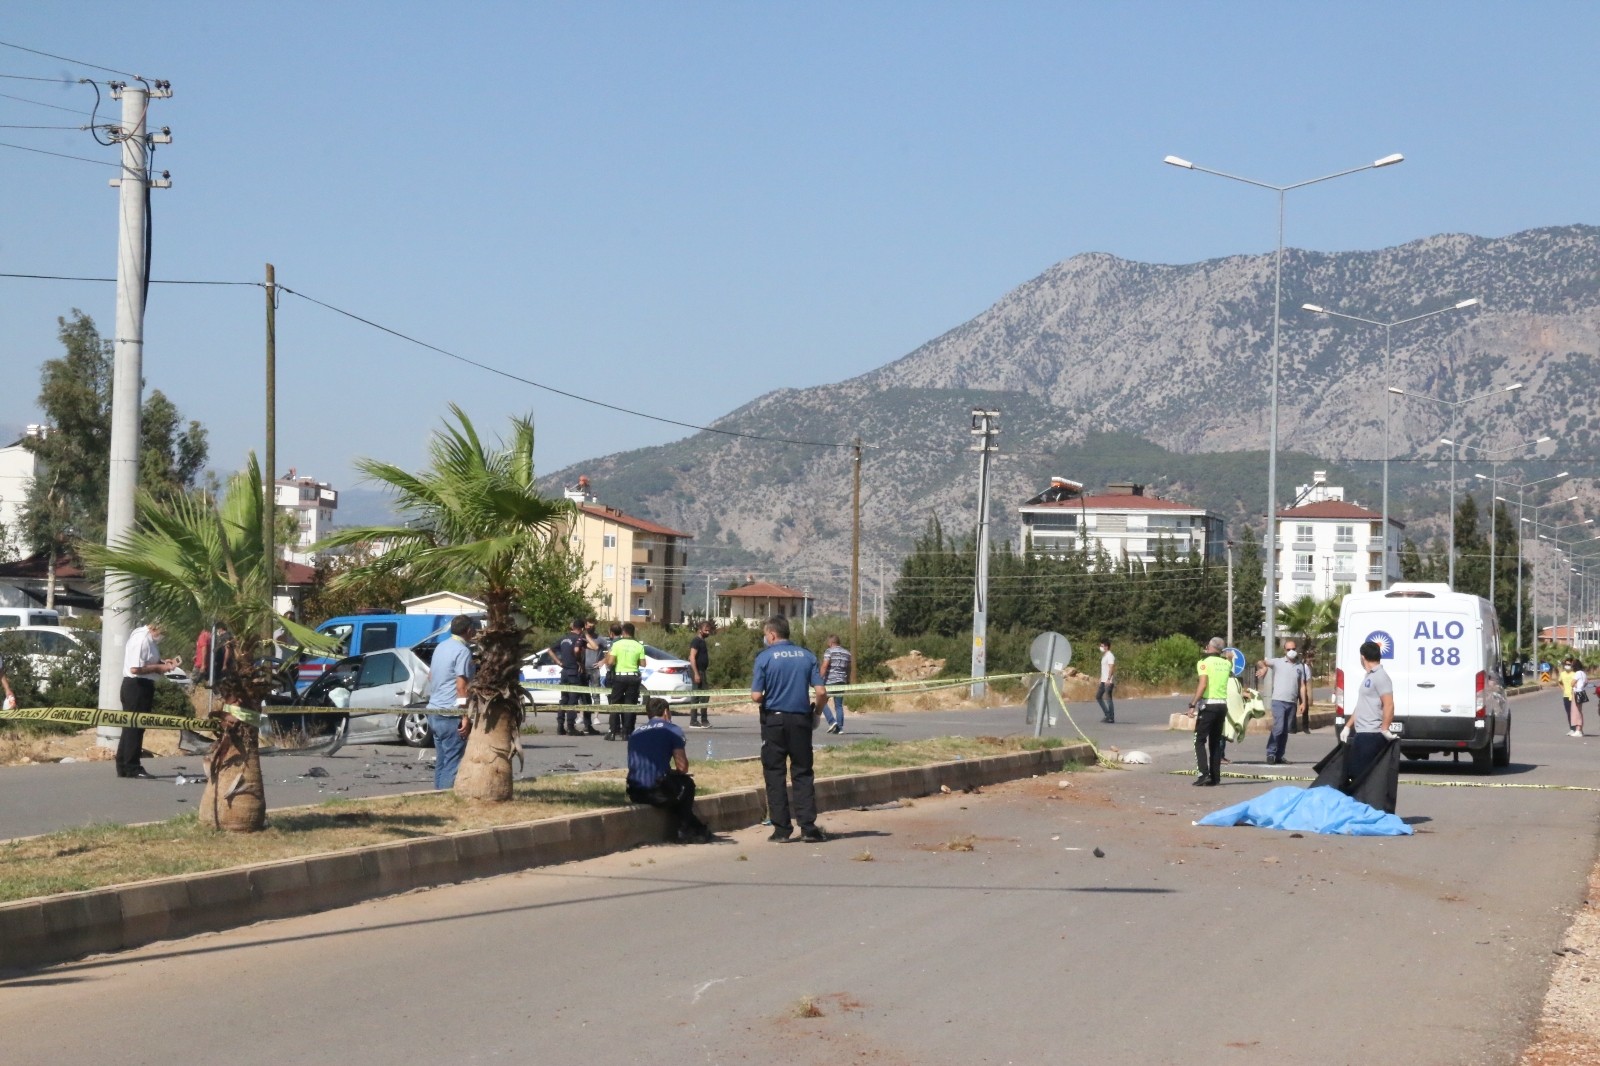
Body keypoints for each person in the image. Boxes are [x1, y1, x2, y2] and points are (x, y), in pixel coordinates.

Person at [751, 615, 828, 842]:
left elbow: (756, 695)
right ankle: (808, 827)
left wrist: (769, 696)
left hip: (774, 721)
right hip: (801, 721)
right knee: (803, 772)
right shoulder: (807, 656)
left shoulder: (764, 658)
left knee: (775, 773)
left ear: (772, 634)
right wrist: (816, 715)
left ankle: (782, 829)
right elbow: (821, 692)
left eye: (766, 634)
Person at [626, 697, 712, 843]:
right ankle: (686, 830)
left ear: (648, 714)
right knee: (687, 785)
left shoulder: (636, 732)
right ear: (666, 712)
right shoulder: (672, 730)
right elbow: (682, 767)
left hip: (634, 790)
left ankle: (695, 828)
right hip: (657, 791)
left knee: (673, 789)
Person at [118, 620, 180, 779]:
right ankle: (132, 766)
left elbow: (148, 662)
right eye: (163, 633)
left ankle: (124, 764)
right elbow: (136, 669)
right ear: (155, 628)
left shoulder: (147, 639)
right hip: (137, 686)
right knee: (135, 727)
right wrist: (160, 668)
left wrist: (163, 663)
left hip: (141, 686)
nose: (163, 637)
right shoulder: (142, 640)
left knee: (131, 726)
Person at [427, 615, 477, 789]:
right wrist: (465, 716)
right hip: (450, 714)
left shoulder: (441, 646)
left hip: (434, 711)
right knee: (453, 763)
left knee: (442, 761)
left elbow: (430, 676)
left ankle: (436, 797)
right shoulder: (462, 651)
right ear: (469, 630)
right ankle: (445, 796)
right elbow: (461, 687)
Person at [1346, 639, 1395, 785]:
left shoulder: (1380, 676)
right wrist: (1348, 726)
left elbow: (1389, 704)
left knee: (1363, 776)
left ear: (1363, 657)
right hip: (1362, 733)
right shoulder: (1369, 676)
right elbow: (1362, 705)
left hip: (1372, 734)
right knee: (1354, 774)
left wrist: (1385, 729)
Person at [1255, 638, 1311, 765]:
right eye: (1288, 649)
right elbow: (1260, 662)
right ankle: (1271, 752)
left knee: (1285, 730)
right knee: (1278, 728)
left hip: (1291, 702)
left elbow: (1302, 685)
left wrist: (1303, 702)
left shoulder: (1300, 666)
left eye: (1293, 649)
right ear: (1284, 651)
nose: (1291, 651)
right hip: (1279, 700)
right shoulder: (1278, 662)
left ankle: (1279, 755)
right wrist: (1264, 668)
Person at [1187, 636, 1231, 786]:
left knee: (1199, 739)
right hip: (1222, 705)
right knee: (1215, 741)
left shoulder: (1203, 663)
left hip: (1209, 704)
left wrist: (1193, 703)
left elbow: (1203, 684)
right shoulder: (1226, 663)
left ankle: (1203, 773)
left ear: (1210, 647)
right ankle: (1215, 777)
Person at [549, 618, 595, 737]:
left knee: (564, 699)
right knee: (572, 700)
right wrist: (579, 661)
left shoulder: (564, 638)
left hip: (564, 672)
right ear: (582, 628)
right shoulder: (579, 638)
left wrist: (558, 662)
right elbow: (594, 647)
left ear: (572, 627)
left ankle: (560, 726)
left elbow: (549, 650)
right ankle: (570, 727)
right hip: (574, 672)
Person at [604, 621, 646, 739]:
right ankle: (626, 732)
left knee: (615, 703)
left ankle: (612, 732)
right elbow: (643, 663)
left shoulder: (617, 644)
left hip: (620, 676)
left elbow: (611, 662)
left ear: (623, 632)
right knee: (629, 705)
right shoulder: (639, 645)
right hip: (633, 676)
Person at [574, 618, 605, 736]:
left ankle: (596, 717)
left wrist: (602, 661)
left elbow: (609, 652)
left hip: (594, 669)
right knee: (582, 694)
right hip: (583, 669)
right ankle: (581, 715)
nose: (589, 628)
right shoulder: (580, 638)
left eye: (592, 626)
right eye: (588, 625)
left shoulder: (600, 639)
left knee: (595, 693)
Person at [819, 634, 852, 734]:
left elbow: (824, 666)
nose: (827, 645)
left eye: (828, 643)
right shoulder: (847, 653)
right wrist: (847, 679)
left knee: (821, 702)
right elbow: (849, 668)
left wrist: (819, 679)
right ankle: (840, 728)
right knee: (838, 705)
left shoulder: (829, 652)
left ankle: (832, 721)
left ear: (831, 642)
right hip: (842, 681)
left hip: (830, 681)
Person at [686, 620, 713, 728]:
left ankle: (703, 720)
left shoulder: (702, 641)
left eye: (709, 630)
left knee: (705, 696)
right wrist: (696, 673)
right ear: (700, 630)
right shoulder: (696, 641)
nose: (708, 632)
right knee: (696, 696)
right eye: (706, 630)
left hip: (702, 671)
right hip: (697, 671)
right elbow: (692, 657)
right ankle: (694, 721)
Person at [1095, 638, 1117, 724]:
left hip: (1108, 681)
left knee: (1108, 699)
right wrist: (1101, 678)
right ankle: (1107, 714)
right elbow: (1104, 668)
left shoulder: (1110, 656)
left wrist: (1108, 679)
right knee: (1098, 696)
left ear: (1106, 647)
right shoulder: (1104, 656)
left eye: (1102, 646)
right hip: (1103, 680)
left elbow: (1111, 667)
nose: (1100, 647)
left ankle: (1111, 717)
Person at [1571, 660, 1590, 738]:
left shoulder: (1577, 673)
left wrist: (1575, 685)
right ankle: (1580, 729)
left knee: (1576, 711)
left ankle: (1578, 730)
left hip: (1576, 693)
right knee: (1580, 711)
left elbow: (1571, 683)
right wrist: (1581, 686)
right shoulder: (1583, 673)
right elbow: (1586, 682)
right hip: (1582, 692)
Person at [1559, 658, 1577, 730]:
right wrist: (1562, 689)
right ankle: (1572, 728)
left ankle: (1577, 728)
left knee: (1574, 713)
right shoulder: (1562, 674)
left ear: (1571, 665)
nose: (1567, 666)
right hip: (1566, 696)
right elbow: (1559, 682)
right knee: (1569, 713)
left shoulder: (1574, 674)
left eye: (1569, 664)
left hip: (1573, 695)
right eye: (1566, 664)